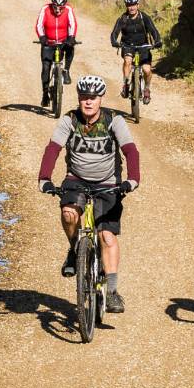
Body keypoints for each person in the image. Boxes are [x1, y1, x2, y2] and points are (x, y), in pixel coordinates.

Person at [38, 75, 141, 313]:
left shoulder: (114, 120)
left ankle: (113, 292)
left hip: (109, 183)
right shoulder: (69, 120)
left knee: (107, 237)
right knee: (68, 215)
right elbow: (53, 149)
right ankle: (76, 251)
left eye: (93, 98)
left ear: (100, 99)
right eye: (84, 97)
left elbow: (130, 151)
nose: (88, 102)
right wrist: (44, 178)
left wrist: (132, 179)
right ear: (78, 99)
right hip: (76, 180)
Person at [108, 0, 162, 105]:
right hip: (128, 46)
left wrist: (157, 41)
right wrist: (114, 41)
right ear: (126, 6)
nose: (131, 8)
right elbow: (115, 32)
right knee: (127, 61)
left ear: (138, 5)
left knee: (147, 70)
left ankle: (146, 89)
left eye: (133, 5)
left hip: (143, 46)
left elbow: (153, 30)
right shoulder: (123, 18)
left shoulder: (144, 17)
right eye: (129, 5)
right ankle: (126, 84)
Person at [34, 0, 78, 108]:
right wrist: (42, 37)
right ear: (52, 4)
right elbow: (39, 25)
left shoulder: (68, 9)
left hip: (63, 41)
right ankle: (45, 94)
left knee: (71, 47)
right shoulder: (45, 9)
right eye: (55, 6)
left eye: (61, 7)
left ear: (65, 5)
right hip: (49, 42)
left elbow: (73, 24)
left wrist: (71, 37)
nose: (58, 10)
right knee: (46, 68)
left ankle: (66, 70)